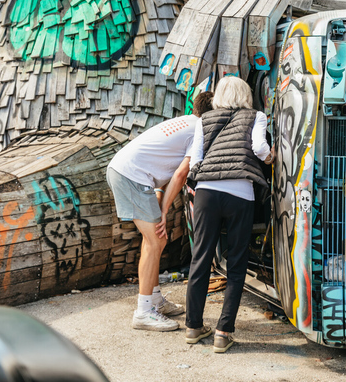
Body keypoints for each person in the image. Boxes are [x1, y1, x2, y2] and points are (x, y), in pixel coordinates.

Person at [107, 91, 214, 331]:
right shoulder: (200, 131)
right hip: (131, 175)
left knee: (157, 239)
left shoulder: (186, 122)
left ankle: (154, 299)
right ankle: (144, 312)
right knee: (155, 241)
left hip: (131, 173)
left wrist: (159, 207)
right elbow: (180, 174)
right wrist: (164, 213)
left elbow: (162, 169)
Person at [184, 76, 273, 353]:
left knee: (200, 258)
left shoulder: (204, 119)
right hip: (239, 193)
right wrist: (271, 159)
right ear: (246, 94)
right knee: (236, 264)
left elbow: (196, 159)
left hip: (206, 193)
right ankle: (223, 333)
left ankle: (193, 327)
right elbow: (259, 148)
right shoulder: (256, 116)